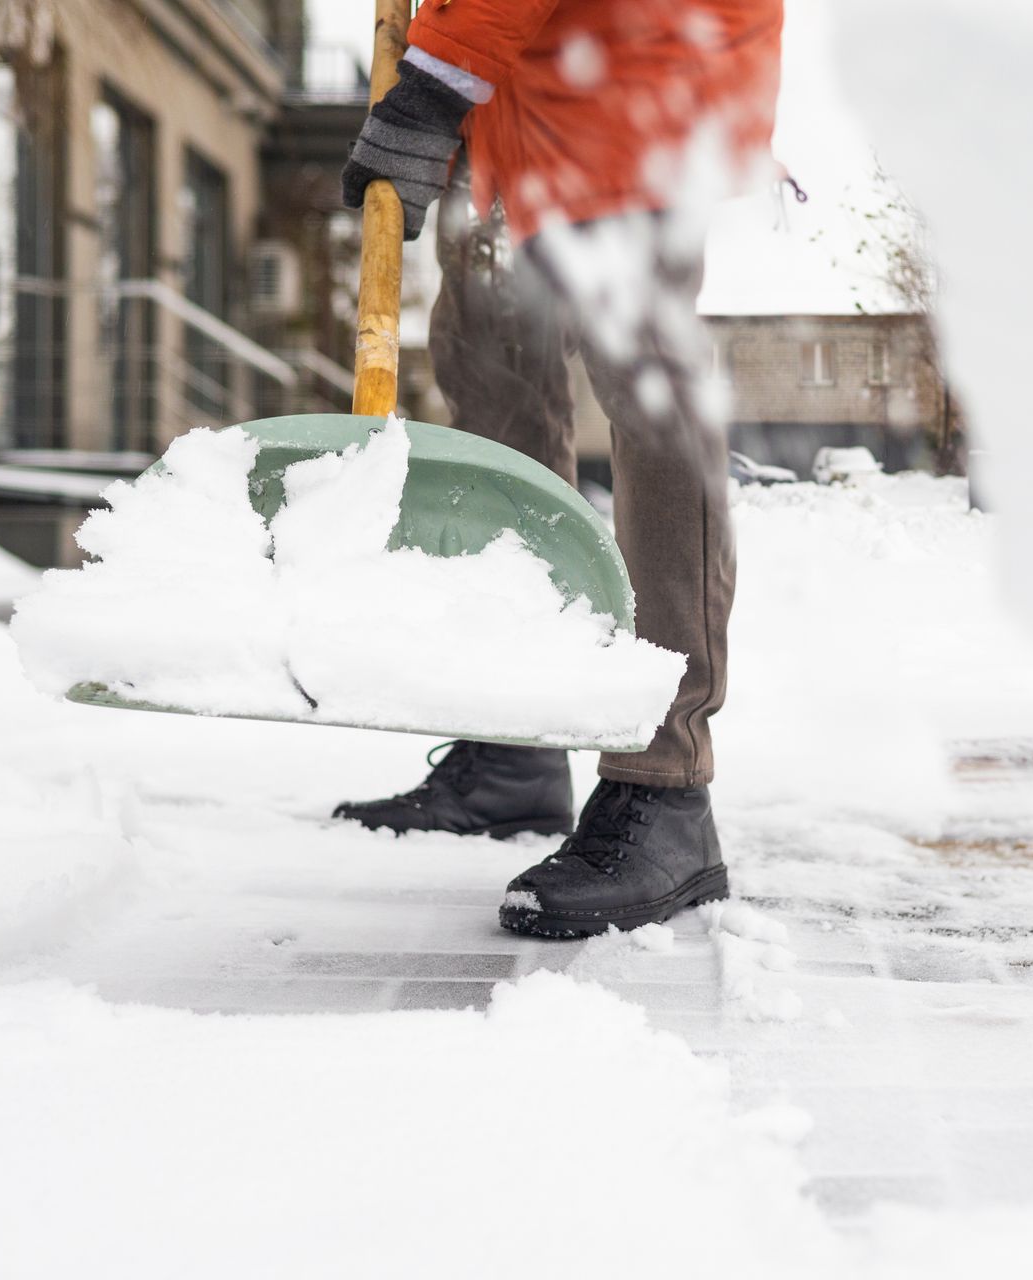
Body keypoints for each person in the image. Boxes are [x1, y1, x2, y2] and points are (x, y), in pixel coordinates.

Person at [332, 0, 783, 939]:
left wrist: (433, 83)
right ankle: (516, 741)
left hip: (634, 67)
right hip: (512, 85)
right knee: (488, 371)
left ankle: (666, 785)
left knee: (646, 391)